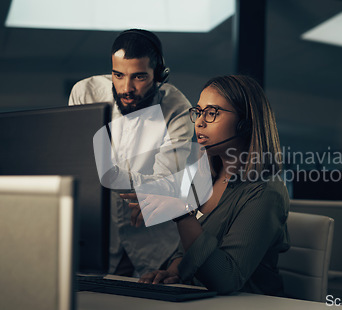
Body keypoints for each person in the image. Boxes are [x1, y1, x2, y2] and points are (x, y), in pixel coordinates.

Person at [124, 75, 290, 296]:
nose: (200, 122)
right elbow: (187, 250)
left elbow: (226, 279)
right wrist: (175, 271)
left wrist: (181, 214)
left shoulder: (265, 193)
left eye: (212, 113)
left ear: (245, 123)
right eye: (199, 112)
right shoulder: (203, 177)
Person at [68, 29, 193, 277]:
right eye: (118, 75)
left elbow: (160, 186)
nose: (127, 88)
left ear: (159, 76)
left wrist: (108, 173)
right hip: (98, 237)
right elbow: (78, 167)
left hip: (154, 243)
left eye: (139, 77)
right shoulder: (86, 93)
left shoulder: (178, 109)